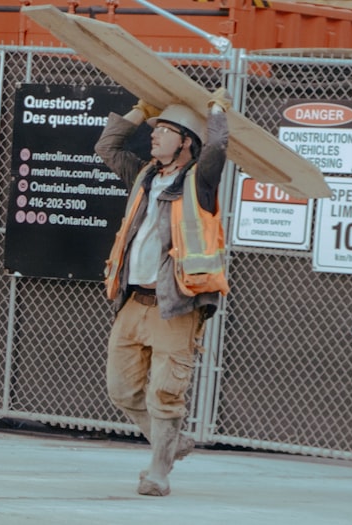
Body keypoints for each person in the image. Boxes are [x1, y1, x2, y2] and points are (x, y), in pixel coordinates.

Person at [94, 88, 232, 496]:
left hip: (176, 304)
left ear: (186, 141)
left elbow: (219, 144)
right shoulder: (144, 176)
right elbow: (106, 145)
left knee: (165, 393)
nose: (154, 137)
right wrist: (140, 111)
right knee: (122, 390)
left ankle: (159, 472)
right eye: (155, 130)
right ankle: (172, 443)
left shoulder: (199, 181)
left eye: (165, 131)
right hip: (134, 301)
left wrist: (216, 109)